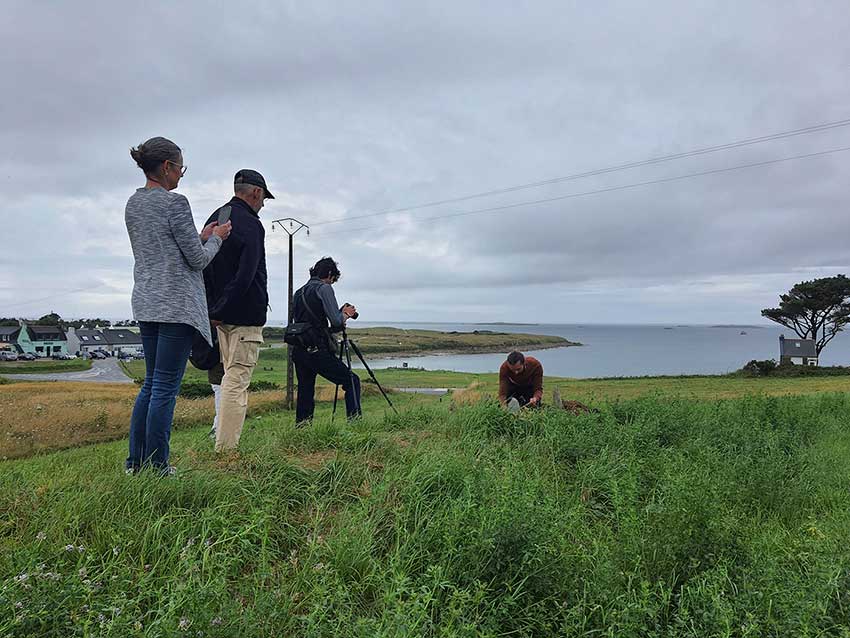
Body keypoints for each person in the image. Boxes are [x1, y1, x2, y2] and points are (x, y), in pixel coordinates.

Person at [125, 136, 231, 475]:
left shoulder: (133, 203)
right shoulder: (175, 203)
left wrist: (199, 237)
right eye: (180, 167)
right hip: (176, 304)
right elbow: (198, 261)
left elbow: (165, 247)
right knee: (166, 388)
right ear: (167, 167)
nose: (182, 175)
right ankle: (159, 466)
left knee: (152, 383)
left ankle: (136, 463)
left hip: (146, 299)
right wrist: (216, 239)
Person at [202, 170, 272, 452]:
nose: (264, 204)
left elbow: (203, 266)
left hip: (221, 318)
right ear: (255, 192)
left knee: (229, 375)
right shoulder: (252, 224)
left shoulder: (216, 217)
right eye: (264, 198)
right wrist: (222, 308)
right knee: (237, 379)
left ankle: (223, 441)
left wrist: (214, 310)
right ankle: (226, 448)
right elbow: (247, 274)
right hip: (243, 316)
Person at [290, 257, 361, 425]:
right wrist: (346, 313)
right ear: (329, 274)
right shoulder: (324, 289)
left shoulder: (299, 292)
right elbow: (336, 322)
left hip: (299, 348)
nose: (332, 282)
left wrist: (338, 315)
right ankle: (356, 424)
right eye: (333, 279)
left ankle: (303, 429)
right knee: (351, 380)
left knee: (305, 389)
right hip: (317, 350)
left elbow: (310, 322)